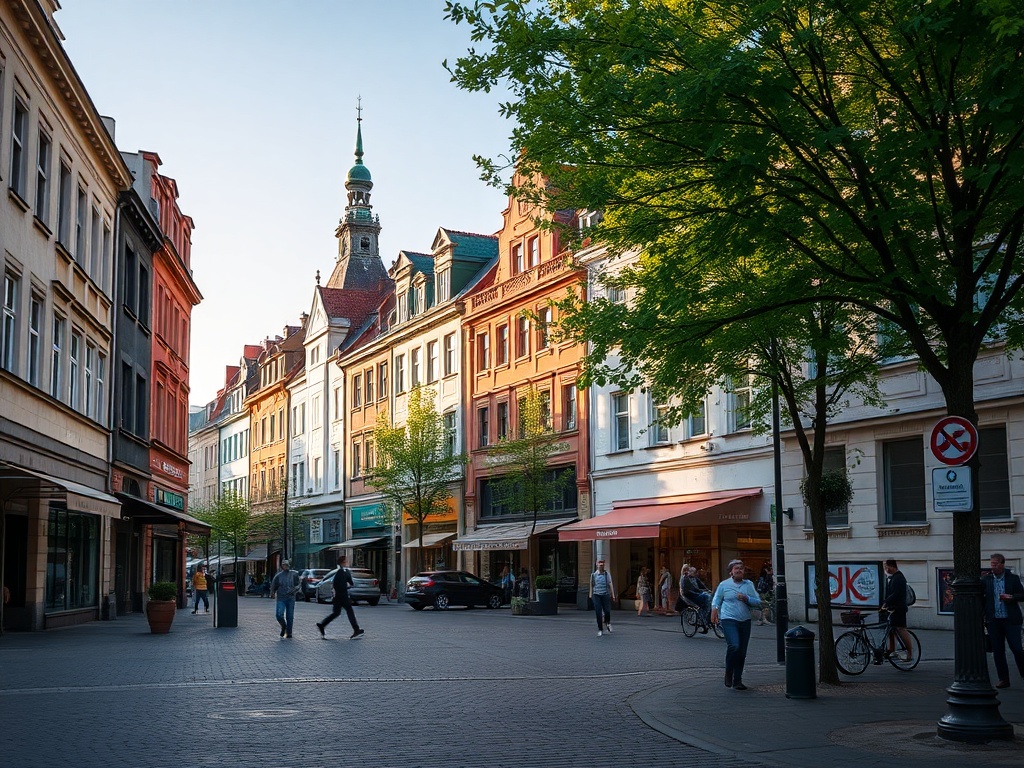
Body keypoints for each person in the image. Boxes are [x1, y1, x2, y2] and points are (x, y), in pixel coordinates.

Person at [710, 559, 761, 690]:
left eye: (741, 568)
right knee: (734, 645)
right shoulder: (724, 585)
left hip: (745, 620)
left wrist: (746, 598)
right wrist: (714, 609)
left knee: (742, 652)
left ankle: (737, 680)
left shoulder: (748, 585)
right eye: (736, 568)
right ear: (731, 572)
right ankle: (729, 672)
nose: (739, 570)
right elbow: (717, 599)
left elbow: (757, 601)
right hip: (729, 619)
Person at [982, 553, 1024, 689]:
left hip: (1011, 620)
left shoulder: (1013, 578)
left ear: (1002, 564)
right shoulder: (986, 579)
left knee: (1017, 649)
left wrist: (1011, 597)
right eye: (991, 564)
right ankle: (1003, 679)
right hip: (994, 621)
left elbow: (1022, 595)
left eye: (995, 564)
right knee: (998, 651)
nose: (993, 566)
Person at [316, 555, 365, 640]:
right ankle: (356, 630)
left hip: (339, 596)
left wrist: (347, 585)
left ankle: (322, 625)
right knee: (349, 611)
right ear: (343, 562)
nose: (348, 562)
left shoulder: (344, 571)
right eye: (346, 561)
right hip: (342, 596)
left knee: (336, 613)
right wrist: (346, 586)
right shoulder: (341, 572)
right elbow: (343, 584)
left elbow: (350, 582)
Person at [879, 559, 912, 660]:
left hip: (899, 609)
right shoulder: (894, 577)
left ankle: (909, 653)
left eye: (887, 567)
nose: (886, 570)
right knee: (891, 629)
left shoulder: (899, 578)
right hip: (893, 608)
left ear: (892, 566)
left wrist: (885, 602)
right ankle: (891, 649)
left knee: (900, 629)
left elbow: (896, 594)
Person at [269, 560, 300, 638]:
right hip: (281, 598)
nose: (285, 566)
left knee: (290, 616)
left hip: (290, 598)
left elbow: (298, 584)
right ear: (281, 566)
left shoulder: (294, 574)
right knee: (279, 615)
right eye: (283, 565)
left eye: (286, 565)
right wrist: (272, 592)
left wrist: (295, 589)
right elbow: (274, 585)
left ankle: (289, 632)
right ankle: (284, 626)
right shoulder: (278, 576)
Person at [589, 559, 615, 637]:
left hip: (605, 594)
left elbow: (610, 584)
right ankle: (600, 629)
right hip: (596, 594)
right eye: (600, 565)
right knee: (598, 612)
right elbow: (591, 585)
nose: (601, 566)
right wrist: (590, 594)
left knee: (607, 611)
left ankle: (608, 622)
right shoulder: (593, 575)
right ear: (597, 565)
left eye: (602, 565)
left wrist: (613, 595)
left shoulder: (607, 574)